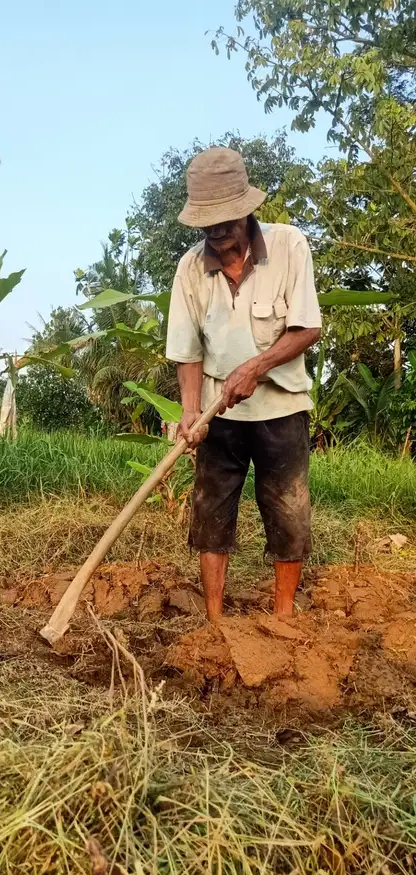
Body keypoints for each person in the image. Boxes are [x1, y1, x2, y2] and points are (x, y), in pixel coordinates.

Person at [166, 146, 321, 618]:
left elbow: (306, 328)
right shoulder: (190, 269)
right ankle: (215, 618)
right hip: (219, 415)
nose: (217, 235)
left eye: (226, 224)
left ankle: (283, 614)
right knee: (211, 512)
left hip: (282, 410)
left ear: (247, 211)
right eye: (207, 228)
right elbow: (187, 351)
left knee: (287, 510)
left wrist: (256, 367)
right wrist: (191, 413)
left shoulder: (290, 245)